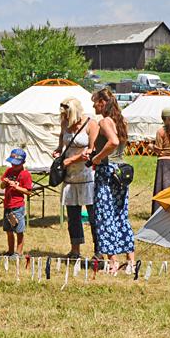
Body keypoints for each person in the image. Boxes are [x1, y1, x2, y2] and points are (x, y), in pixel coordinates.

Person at [89, 88, 135, 269]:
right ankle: (130, 261)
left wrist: (97, 158)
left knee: (104, 216)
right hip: (121, 172)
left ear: (102, 102)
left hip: (106, 172)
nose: (93, 105)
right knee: (120, 215)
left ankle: (112, 262)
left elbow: (113, 142)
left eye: (95, 101)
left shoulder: (105, 121)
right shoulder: (122, 121)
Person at [52, 97, 98, 258]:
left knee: (93, 217)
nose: (64, 116)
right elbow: (62, 142)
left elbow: (92, 151)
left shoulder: (91, 124)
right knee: (73, 217)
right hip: (69, 175)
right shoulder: (65, 123)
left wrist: (71, 159)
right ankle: (75, 250)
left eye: (66, 113)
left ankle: (98, 252)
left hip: (87, 175)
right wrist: (58, 151)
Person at [0, 148, 32, 257]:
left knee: (18, 230)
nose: (14, 166)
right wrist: (5, 183)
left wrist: (16, 187)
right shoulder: (9, 171)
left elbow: (28, 192)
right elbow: (1, 186)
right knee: (8, 230)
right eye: (12, 164)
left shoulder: (25, 174)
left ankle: (18, 252)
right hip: (7, 205)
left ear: (23, 162)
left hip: (17, 206)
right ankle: (10, 251)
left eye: (16, 164)